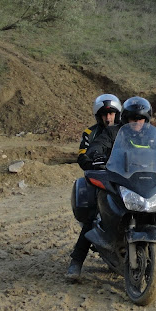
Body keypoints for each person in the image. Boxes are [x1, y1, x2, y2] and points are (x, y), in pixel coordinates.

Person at [81, 96, 156, 277]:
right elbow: (97, 146)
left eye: (141, 119)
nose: (137, 122)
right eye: (133, 119)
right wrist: (97, 155)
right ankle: (76, 260)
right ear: (126, 118)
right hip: (122, 178)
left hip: (148, 180)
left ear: (147, 119)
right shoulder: (114, 132)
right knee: (94, 214)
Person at [67, 94, 122, 280]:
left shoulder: (126, 131)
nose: (108, 118)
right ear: (98, 116)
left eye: (112, 113)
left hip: (124, 179)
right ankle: (76, 262)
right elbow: (82, 156)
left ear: (118, 113)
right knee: (93, 215)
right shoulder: (90, 133)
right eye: (105, 114)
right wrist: (93, 162)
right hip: (101, 180)